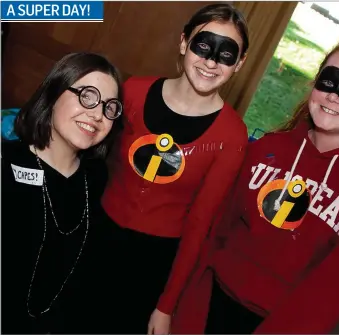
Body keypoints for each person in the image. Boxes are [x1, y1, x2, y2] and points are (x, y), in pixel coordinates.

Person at [171, 39, 339, 334]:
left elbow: (336, 288)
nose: (333, 96)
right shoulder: (268, 148)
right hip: (207, 305)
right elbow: (216, 229)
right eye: (328, 82)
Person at [99, 3, 249, 334]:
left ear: (238, 64)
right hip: (98, 233)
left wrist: (166, 305)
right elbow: (96, 155)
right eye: (203, 45)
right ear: (184, 43)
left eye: (226, 54)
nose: (211, 61)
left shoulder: (231, 135)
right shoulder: (135, 91)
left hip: (152, 262)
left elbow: (200, 223)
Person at [1, 52, 123, 334]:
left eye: (109, 107)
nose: (96, 114)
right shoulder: (5, 163)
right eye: (87, 96)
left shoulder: (96, 176)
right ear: (54, 91)